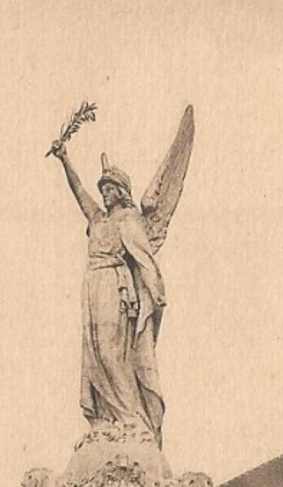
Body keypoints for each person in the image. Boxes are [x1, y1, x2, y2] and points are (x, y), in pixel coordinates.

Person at [49, 107, 194, 447]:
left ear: (120, 190)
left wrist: (155, 294)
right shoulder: (98, 220)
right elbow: (79, 192)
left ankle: (131, 418)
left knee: (115, 353)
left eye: (108, 188)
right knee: (96, 353)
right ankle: (105, 419)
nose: (103, 193)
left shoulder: (130, 220)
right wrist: (65, 160)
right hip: (93, 287)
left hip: (116, 290)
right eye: (103, 188)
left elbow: (144, 259)